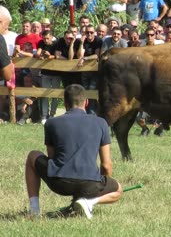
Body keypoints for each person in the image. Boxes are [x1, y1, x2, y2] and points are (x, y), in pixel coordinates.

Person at [25, 84, 122, 218]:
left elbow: (52, 157)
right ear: (86, 102)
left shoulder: (51, 123)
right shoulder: (101, 123)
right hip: (90, 185)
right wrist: (102, 188)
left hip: (59, 183)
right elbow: (106, 164)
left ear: (65, 103)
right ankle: (89, 201)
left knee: (33, 155)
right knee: (118, 190)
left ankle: (34, 210)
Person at [77, 24, 103, 115]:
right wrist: (81, 43)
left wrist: (85, 59)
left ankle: (92, 113)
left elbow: (97, 55)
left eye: (91, 32)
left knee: (92, 91)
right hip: (84, 70)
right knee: (85, 91)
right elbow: (79, 55)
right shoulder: (81, 41)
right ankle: (86, 112)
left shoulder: (98, 40)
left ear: (94, 33)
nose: (89, 34)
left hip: (94, 70)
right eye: (87, 32)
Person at [36, 30, 60, 122]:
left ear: (51, 37)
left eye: (47, 38)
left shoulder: (56, 43)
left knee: (55, 95)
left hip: (56, 73)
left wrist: (49, 56)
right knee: (44, 94)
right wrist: (40, 56)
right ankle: (44, 115)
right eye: (44, 38)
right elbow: (38, 53)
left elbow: (57, 56)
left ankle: (52, 114)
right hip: (45, 72)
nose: (46, 40)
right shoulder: (41, 43)